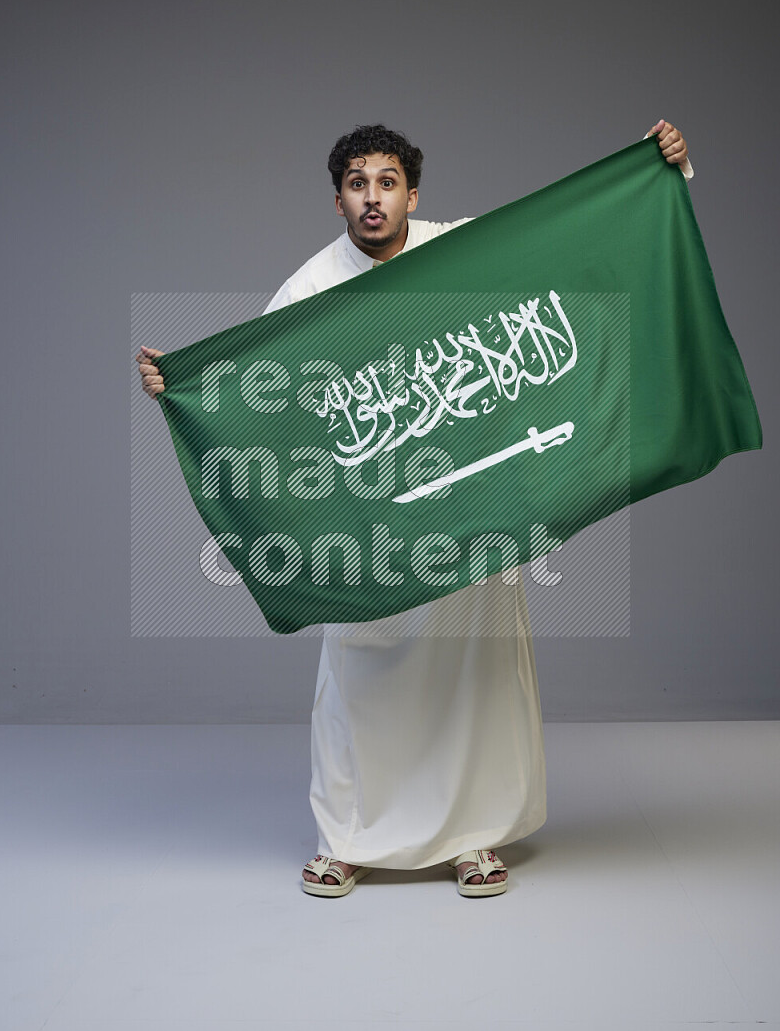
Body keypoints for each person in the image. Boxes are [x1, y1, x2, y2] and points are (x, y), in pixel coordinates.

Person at [136, 118, 691, 897]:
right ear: (338, 199)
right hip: (375, 520)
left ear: (412, 193)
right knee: (359, 673)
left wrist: (655, 173)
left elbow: (560, 250)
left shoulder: (458, 249)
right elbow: (255, 386)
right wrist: (184, 384)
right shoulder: (309, 291)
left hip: (472, 506)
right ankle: (347, 837)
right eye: (358, 184)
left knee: (479, 667)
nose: (373, 197)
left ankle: (476, 837)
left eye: (387, 182)